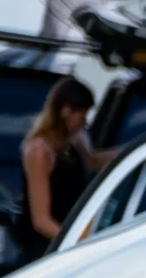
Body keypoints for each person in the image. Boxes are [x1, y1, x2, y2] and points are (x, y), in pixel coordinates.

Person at [19, 78, 111, 254]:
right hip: (46, 249)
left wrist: (138, 149)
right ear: (66, 111)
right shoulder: (39, 151)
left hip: (69, 242)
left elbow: (93, 162)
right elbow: (41, 220)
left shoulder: (74, 141)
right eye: (82, 114)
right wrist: (80, 243)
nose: (85, 121)